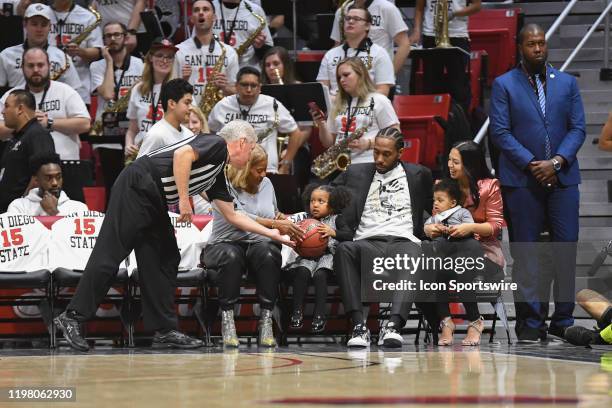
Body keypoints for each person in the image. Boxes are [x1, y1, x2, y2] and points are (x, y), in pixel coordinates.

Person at [54, 119, 293, 352]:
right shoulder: (217, 145)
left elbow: (234, 216)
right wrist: (182, 199)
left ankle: (164, 329)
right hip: (137, 185)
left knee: (165, 257)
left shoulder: (217, 171)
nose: (251, 155)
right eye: (251, 149)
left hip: (152, 195)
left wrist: (274, 234)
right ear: (241, 143)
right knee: (110, 255)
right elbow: (182, 155)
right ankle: (73, 317)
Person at [490, 24, 586, 342]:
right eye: (531, 43)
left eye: (542, 43)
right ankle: (530, 322)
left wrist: (556, 162)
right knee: (527, 253)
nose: (538, 49)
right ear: (520, 47)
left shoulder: (568, 84)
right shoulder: (504, 84)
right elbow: (501, 132)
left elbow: (578, 129)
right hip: (522, 180)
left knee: (565, 250)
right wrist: (534, 165)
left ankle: (563, 318)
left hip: (563, 178)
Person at [331, 127, 434, 348]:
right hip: (367, 241)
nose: (379, 158)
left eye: (386, 154)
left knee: (416, 252)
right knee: (344, 249)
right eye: (376, 152)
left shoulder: (419, 174)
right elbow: (326, 197)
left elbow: (430, 208)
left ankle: (394, 326)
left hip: (403, 240)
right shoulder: (355, 172)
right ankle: (359, 326)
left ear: (400, 152)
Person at [202, 144, 304, 347]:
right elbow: (240, 216)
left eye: (265, 169)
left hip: (257, 245)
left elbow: (273, 213)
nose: (264, 174)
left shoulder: (266, 183)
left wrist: (290, 222)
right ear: (245, 169)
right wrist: (276, 224)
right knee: (232, 257)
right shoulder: (222, 185)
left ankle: (266, 320)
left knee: (268, 253)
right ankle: (228, 320)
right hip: (224, 244)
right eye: (259, 170)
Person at [424, 178, 486, 346]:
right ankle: (446, 321)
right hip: (444, 259)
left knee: (463, 274)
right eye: (434, 200)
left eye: (440, 200)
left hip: (464, 255)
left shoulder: (461, 213)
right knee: (436, 278)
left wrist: (452, 230)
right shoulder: (435, 218)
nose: (435, 204)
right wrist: (431, 229)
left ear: (452, 202)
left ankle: (475, 320)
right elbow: (426, 227)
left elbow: (468, 228)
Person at [208, 66, 304, 174]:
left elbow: (295, 133)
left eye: (253, 85)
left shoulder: (272, 105)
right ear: (236, 86)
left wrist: (285, 164)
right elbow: (210, 133)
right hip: (230, 170)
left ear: (259, 88)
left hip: (265, 171)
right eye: (244, 85)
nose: (249, 90)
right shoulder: (222, 106)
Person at [0, 47, 90, 161]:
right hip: (24, 165)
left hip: (64, 163)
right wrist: (24, 124)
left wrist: (49, 122)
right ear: (22, 68)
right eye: (30, 66)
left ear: (49, 66)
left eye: (40, 65)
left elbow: (85, 124)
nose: (36, 70)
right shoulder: (11, 96)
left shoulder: (66, 91)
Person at [284, 183, 351, 333]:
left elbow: (349, 235)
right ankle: (296, 312)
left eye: (321, 201)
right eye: (312, 201)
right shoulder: (306, 220)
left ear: (333, 204)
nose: (315, 205)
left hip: (328, 257)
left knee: (321, 276)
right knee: (301, 272)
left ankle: (320, 314)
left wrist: (333, 232)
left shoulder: (337, 219)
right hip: (308, 256)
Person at [312, 57, 399, 167]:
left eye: (346, 75)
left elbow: (395, 135)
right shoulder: (338, 104)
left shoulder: (379, 100)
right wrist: (321, 123)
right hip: (340, 165)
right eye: (339, 77)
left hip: (370, 163)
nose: (341, 80)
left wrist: (368, 144)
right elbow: (328, 143)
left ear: (360, 74)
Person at [0, 3, 86, 99]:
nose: (39, 29)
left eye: (44, 24)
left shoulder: (62, 57)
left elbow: (74, 91)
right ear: (25, 24)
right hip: (18, 109)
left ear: (50, 26)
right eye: (34, 24)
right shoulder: (6, 55)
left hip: (53, 111)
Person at [410, 0, 481, 112]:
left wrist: (455, 13)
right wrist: (417, 30)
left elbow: (477, 6)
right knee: (431, 85)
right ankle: (433, 123)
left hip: (457, 35)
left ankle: (458, 124)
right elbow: (419, 8)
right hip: (431, 34)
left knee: (458, 87)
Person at [318, 6, 395, 97]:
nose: (350, 21)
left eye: (356, 19)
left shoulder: (379, 53)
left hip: (366, 108)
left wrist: (356, 104)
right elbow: (322, 90)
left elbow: (383, 91)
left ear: (367, 26)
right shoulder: (330, 54)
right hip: (335, 107)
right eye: (347, 18)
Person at [175, 0, 239, 108]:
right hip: (189, 113)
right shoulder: (179, 50)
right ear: (192, 19)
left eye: (205, 9)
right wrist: (183, 80)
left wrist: (225, 87)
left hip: (219, 115)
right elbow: (170, 93)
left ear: (214, 17)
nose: (201, 13)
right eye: (196, 10)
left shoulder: (229, 52)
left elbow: (238, 92)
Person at [0, 89, 55, 212]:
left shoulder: (37, 135)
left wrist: (23, 204)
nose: (3, 112)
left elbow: (41, 176)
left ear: (20, 109)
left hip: (22, 215)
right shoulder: (16, 137)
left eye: (7, 106)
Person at [125, 38, 177, 163]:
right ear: (150, 58)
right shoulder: (138, 89)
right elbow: (132, 130)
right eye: (159, 55)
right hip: (141, 155)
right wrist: (128, 145)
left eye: (169, 57)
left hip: (169, 156)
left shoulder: (179, 89)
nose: (164, 60)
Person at [330, 0, 410, 75]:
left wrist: (389, 77)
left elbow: (404, 45)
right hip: (349, 77)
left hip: (378, 78)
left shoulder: (387, 8)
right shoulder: (342, 12)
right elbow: (338, 45)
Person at [48, 0, 104, 105]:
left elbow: (98, 51)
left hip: (79, 84)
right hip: (47, 82)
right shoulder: (42, 14)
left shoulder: (88, 17)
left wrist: (80, 51)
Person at [90, 21, 144, 121]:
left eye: (117, 35)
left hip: (132, 120)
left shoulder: (139, 63)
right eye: (108, 36)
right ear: (104, 41)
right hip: (105, 122)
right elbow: (107, 94)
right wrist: (109, 62)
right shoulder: (96, 66)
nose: (113, 39)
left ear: (125, 38)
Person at [7, 152, 88, 215]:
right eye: (48, 178)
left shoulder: (79, 208)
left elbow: (71, 236)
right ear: (36, 180)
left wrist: (53, 212)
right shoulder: (19, 207)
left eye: (58, 177)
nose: (55, 183)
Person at [137, 79, 194, 158]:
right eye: (187, 103)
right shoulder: (156, 135)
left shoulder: (189, 135)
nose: (191, 107)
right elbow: (140, 168)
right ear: (171, 104)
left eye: (191, 103)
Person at [211, 0, 273, 68]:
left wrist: (259, 47)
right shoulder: (208, 8)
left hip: (246, 70)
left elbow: (269, 52)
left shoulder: (255, 10)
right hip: (214, 67)